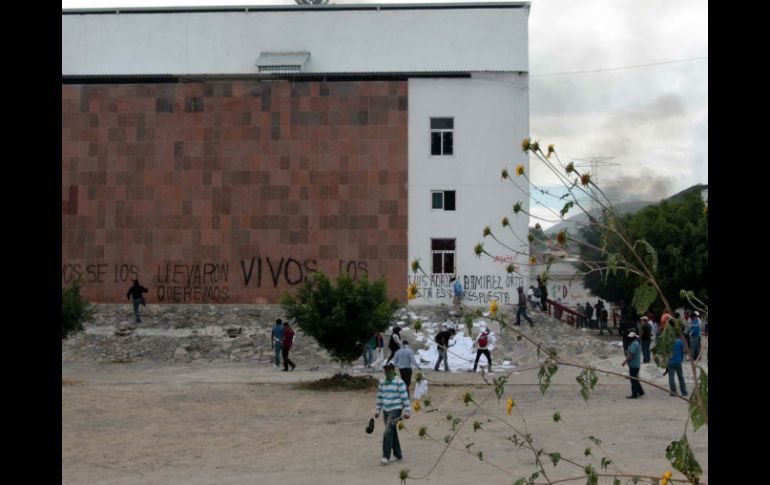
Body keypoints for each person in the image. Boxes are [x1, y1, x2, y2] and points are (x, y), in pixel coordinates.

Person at [373, 363, 411, 466]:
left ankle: (386, 456)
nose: (387, 373)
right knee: (392, 431)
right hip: (386, 410)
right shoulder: (382, 382)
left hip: (396, 409)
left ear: (393, 370)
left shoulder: (399, 382)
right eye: (386, 371)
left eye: (389, 371)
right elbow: (380, 397)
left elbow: (404, 397)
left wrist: (407, 410)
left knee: (387, 431)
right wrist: (377, 410)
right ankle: (398, 454)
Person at [621, 331, 644, 399]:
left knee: (633, 379)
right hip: (635, 364)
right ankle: (640, 391)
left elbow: (631, 355)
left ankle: (634, 394)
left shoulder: (634, 344)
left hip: (634, 364)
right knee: (635, 378)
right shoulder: (636, 343)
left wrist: (624, 362)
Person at [667, 331, 688, 397]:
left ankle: (673, 392)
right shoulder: (679, 341)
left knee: (671, 378)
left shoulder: (669, 342)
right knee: (681, 377)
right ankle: (684, 392)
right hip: (678, 362)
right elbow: (685, 350)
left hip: (670, 362)